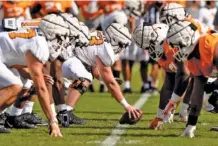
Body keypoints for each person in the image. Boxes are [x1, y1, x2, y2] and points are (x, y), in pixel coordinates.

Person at [0, 13, 82, 136]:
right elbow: (41, 88)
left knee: (18, 86)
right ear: (51, 34)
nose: (63, 42)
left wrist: (35, 76)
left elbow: (16, 63)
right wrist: (53, 121)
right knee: (14, 85)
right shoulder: (39, 45)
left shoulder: (36, 38)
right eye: (60, 38)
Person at [59, 23, 143, 127]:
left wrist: (105, 80)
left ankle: (66, 114)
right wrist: (127, 106)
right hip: (62, 57)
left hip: (65, 55)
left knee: (86, 76)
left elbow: (95, 70)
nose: (121, 49)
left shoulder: (99, 36)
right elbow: (110, 82)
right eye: (121, 45)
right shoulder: (106, 48)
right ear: (114, 39)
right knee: (84, 77)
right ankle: (65, 113)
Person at [166, 18, 218, 138]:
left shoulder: (210, 44)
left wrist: (214, 85)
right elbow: (197, 91)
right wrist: (190, 126)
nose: (176, 49)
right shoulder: (192, 56)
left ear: (187, 39)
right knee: (205, 95)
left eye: (178, 45)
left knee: (213, 92)